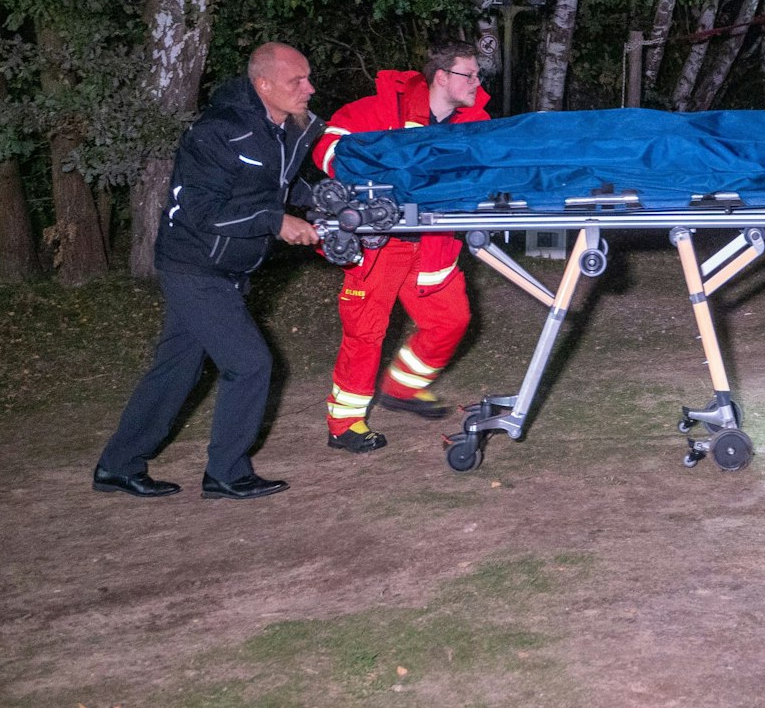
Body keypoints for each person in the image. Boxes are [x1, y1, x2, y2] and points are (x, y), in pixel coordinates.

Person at [93, 43, 323, 501]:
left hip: (230, 265)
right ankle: (227, 473)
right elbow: (200, 210)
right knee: (250, 363)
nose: (309, 88)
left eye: (308, 78)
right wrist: (275, 222)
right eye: (296, 81)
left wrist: (320, 199)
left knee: (177, 369)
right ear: (263, 85)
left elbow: (273, 183)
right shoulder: (217, 132)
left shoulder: (287, 128)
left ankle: (118, 465)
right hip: (195, 264)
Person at [311, 44, 494, 453]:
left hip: (434, 244)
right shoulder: (379, 108)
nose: (477, 83)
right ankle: (344, 424)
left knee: (451, 321)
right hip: (380, 245)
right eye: (470, 74)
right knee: (365, 333)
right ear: (442, 77)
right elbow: (329, 149)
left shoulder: (475, 123)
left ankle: (401, 389)